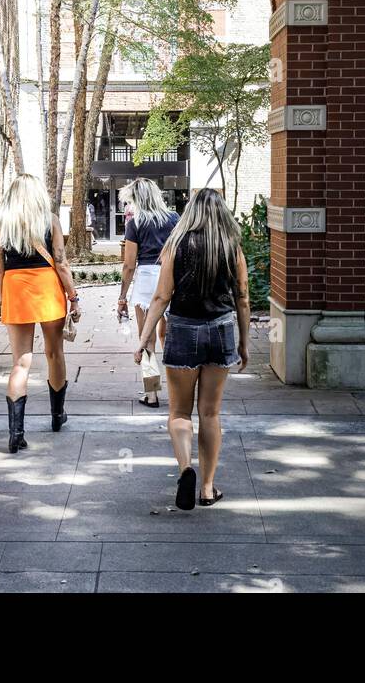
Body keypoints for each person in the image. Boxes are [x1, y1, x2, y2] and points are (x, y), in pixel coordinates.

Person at [135, 188, 250, 510]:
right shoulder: (232, 248)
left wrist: (144, 339)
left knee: (179, 413)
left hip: (183, 329)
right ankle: (208, 489)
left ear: (191, 214)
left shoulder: (176, 245)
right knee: (210, 413)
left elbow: (160, 297)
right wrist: (243, 341)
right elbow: (242, 298)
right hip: (222, 329)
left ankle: (186, 468)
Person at [0, 174, 81, 453]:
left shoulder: (2, 223)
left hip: (16, 289)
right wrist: (74, 297)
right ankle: (57, 415)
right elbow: (62, 263)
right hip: (46, 288)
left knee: (21, 362)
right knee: (55, 353)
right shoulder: (50, 219)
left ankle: (16, 433)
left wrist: (4, 296)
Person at [117, 179, 179, 408]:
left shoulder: (135, 223)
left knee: (148, 339)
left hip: (144, 281)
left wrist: (122, 296)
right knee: (170, 337)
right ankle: (177, 390)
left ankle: (152, 394)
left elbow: (129, 264)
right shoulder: (174, 218)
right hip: (169, 277)